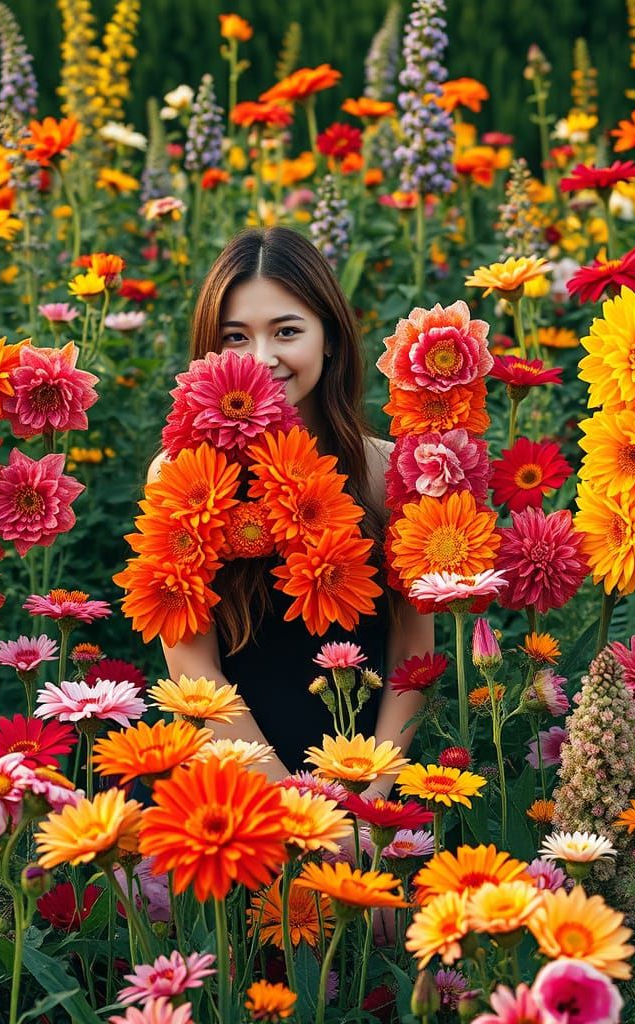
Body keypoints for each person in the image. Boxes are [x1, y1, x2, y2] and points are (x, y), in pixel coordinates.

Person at [147, 227, 433, 798]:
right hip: (235, 778)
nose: (261, 359)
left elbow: (413, 654)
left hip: (375, 772)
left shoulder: (387, 472)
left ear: (329, 338)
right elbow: (193, 669)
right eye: (235, 337)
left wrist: (371, 798)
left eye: (287, 331)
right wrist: (292, 807)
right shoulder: (180, 473)